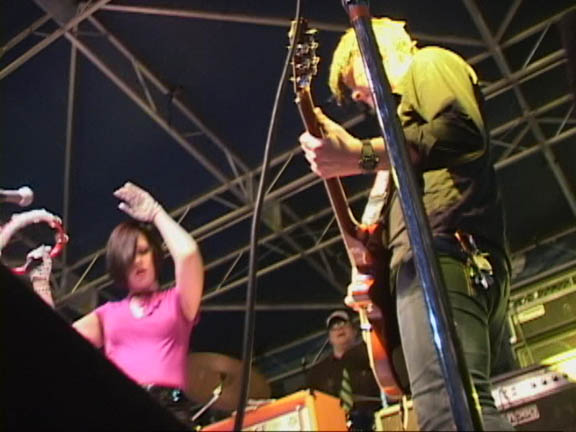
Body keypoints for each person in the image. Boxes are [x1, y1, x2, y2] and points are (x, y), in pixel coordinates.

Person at [299, 18, 515, 430]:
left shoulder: (428, 64)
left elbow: (459, 131)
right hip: (453, 258)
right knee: (467, 409)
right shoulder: (402, 128)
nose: (356, 96)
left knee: (447, 412)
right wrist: (371, 277)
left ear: (377, 50)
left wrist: (359, 155)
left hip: (443, 255)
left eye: (353, 79)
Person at [28, 182, 204, 425]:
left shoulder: (177, 301)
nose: (138, 261)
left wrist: (156, 213)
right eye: (129, 257)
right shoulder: (108, 314)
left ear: (155, 254)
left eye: (143, 251)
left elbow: (188, 254)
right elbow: (55, 341)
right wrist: (40, 285)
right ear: (119, 266)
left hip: (170, 407)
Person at [306, 310, 382, 431]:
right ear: (329, 338)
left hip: (375, 421)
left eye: (343, 323)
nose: (339, 328)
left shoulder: (370, 353)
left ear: (354, 330)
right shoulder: (318, 372)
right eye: (334, 327)